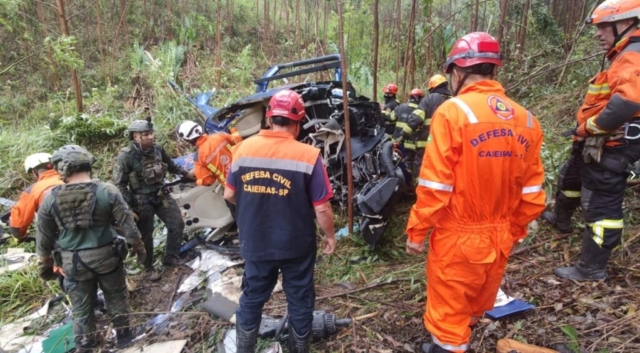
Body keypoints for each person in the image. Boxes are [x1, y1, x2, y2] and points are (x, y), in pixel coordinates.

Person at [404, 32, 545, 353]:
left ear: (457, 72)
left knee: (448, 318)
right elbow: (533, 190)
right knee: (474, 305)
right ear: (494, 70)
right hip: (500, 237)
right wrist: (512, 229)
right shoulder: (527, 119)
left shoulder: (453, 113)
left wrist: (417, 231)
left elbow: (435, 184)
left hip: (459, 235)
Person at [224, 89, 336, 353]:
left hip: (256, 241)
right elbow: (322, 208)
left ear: (269, 118)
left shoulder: (243, 149)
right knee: (299, 298)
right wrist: (329, 236)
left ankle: (244, 349)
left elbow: (229, 194)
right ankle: (299, 349)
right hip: (297, 244)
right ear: (298, 122)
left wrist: (256, 208)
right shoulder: (308, 155)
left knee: (252, 297)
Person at [553, 0, 640, 281]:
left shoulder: (633, 54)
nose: (598, 33)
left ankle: (591, 268)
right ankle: (560, 219)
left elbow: (627, 102)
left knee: (601, 204)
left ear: (626, 23)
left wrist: (590, 128)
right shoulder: (624, 53)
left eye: (604, 26)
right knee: (573, 177)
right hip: (601, 142)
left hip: (615, 145)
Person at [36, 145, 146, 352]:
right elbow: (128, 226)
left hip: (73, 263)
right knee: (116, 297)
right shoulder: (108, 191)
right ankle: (124, 337)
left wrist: (45, 264)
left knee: (81, 308)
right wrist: (139, 249)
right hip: (108, 258)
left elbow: (44, 237)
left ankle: (85, 345)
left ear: (64, 168)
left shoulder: (50, 198)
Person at [113, 118, 191, 281]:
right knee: (145, 236)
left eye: (151, 134)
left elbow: (171, 165)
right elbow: (120, 185)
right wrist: (130, 207)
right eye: (146, 135)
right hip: (141, 201)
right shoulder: (126, 157)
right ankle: (147, 267)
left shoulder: (157, 149)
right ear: (136, 137)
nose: (150, 137)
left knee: (177, 223)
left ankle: (171, 258)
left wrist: (187, 174)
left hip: (161, 195)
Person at [8, 153, 64, 241]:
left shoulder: (33, 190)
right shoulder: (72, 180)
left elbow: (18, 226)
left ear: (35, 171)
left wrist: (22, 236)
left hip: (57, 239)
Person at [175, 120, 241, 187]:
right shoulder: (219, 135)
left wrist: (199, 179)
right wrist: (233, 129)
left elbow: (208, 181)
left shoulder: (198, 158)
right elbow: (238, 141)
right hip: (248, 171)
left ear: (187, 140)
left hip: (233, 186)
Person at [391, 88, 426, 176]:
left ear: (410, 97)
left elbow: (391, 118)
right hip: (413, 144)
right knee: (412, 164)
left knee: (397, 162)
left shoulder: (400, 107)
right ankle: (410, 182)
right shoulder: (422, 110)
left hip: (397, 142)